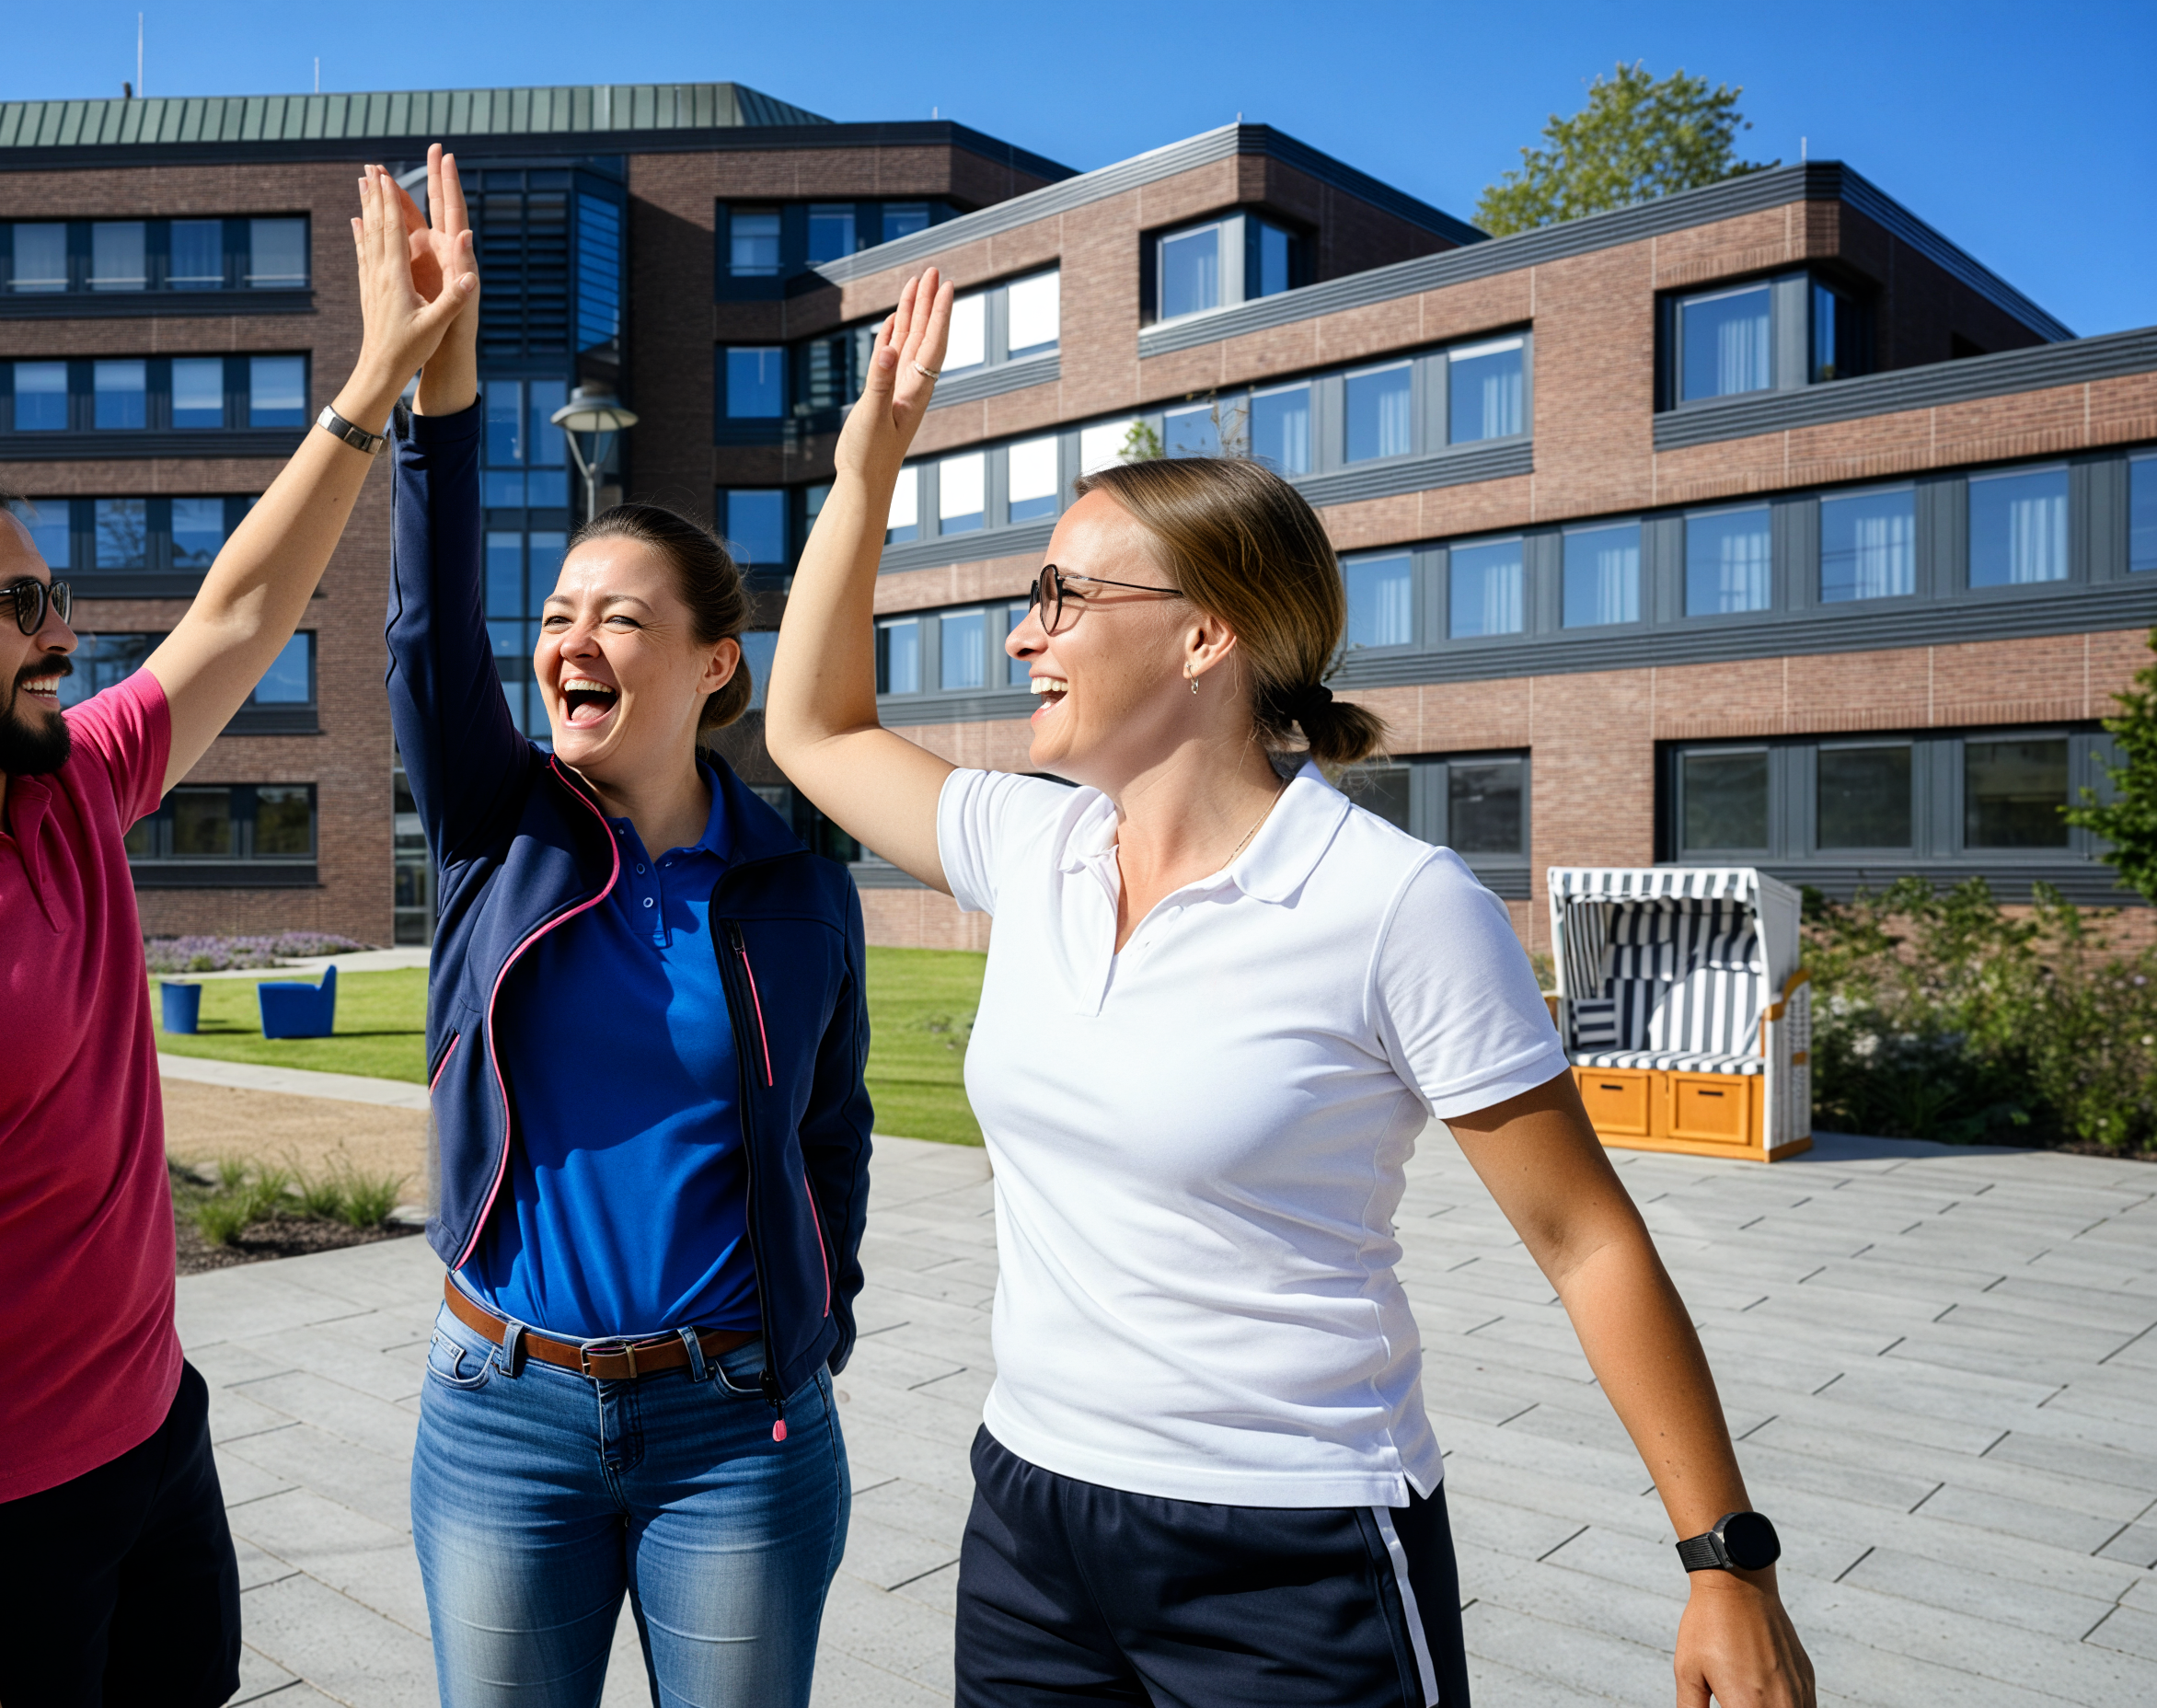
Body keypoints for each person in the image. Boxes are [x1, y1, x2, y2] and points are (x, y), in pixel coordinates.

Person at [763, 270, 1818, 1708]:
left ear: (1207, 636)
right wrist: (866, 471)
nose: (1026, 633)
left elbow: (1588, 1243)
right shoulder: (1038, 844)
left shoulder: (1396, 906)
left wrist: (1725, 1563)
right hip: (1031, 1515)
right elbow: (812, 727)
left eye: (1063, 595)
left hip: (1293, 1543)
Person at [0, 166, 474, 1708]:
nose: (64, 629)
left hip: (152, 1449)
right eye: (17, 603)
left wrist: (376, 381)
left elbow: (240, 615)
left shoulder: (68, 790)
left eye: (56, 595)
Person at [381, 146, 873, 1708]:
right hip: (501, 1412)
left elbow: (833, 1130)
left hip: (739, 1429)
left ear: (716, 665)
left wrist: (817, 1312)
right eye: (556, 616)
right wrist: (442, 395)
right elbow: (422, 627)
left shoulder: (796, 884)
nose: (570, 642)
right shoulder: (497, 824)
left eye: (620, 618)